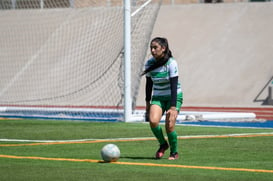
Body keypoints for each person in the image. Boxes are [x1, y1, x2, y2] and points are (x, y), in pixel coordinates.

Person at [142, 37, 183, 160]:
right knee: (153, 121)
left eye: (155, 48)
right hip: (158, 97)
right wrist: (147, 102)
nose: (153, 50)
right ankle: (163, 144)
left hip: (173, 97)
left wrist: (173, 107)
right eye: (151, 48)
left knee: (169, 126)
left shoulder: (171, 63)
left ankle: (174, 152)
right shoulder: (149, 63)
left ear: (163, 48)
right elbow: (149, 84)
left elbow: (174, 85)